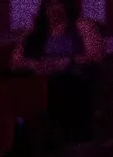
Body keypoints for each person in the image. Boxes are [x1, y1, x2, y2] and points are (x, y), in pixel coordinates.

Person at [11, 0, 103, 142]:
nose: (54, 9)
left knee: (61, 84)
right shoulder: (35, 32)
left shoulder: (82, 27)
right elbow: (15, 62)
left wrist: (68, 62)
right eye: (50, 5)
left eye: (58, 4)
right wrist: (33, 65)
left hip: (72, 75)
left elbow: (95, 55)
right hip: (40, 77)